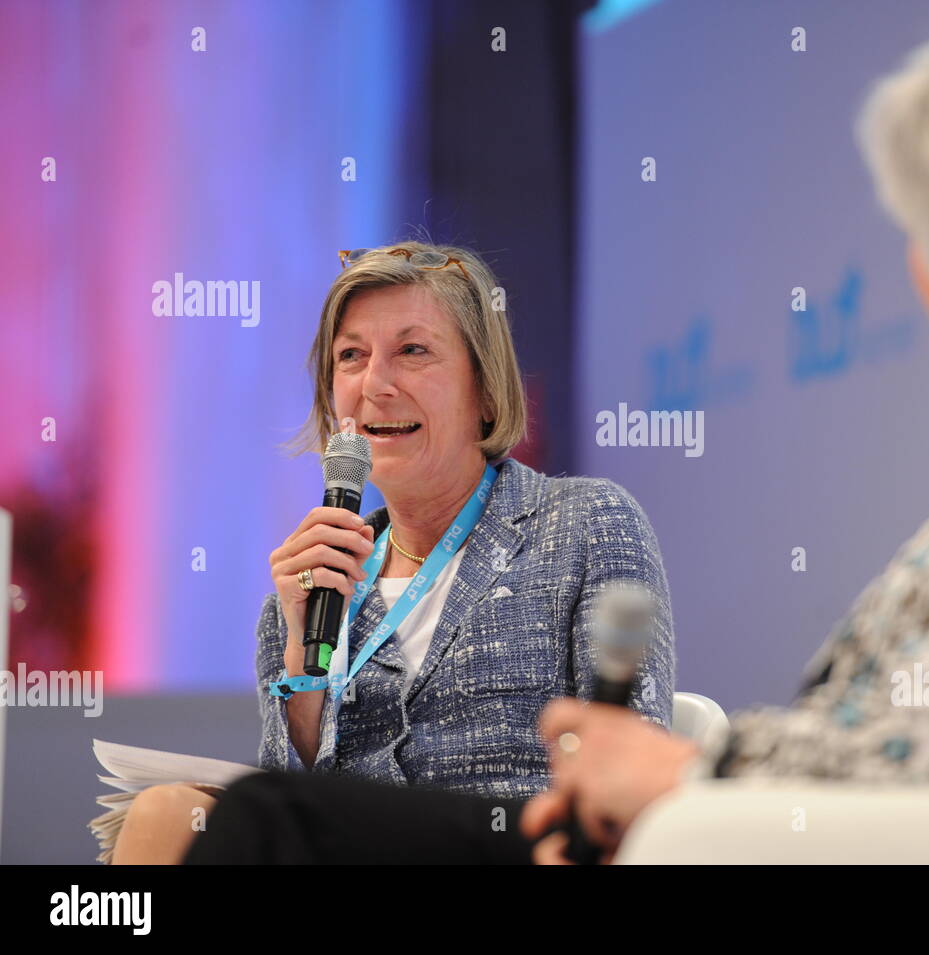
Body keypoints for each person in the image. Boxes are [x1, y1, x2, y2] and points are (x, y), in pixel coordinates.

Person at [183, 17, 929, 865]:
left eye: (923, 225)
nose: (915, 256)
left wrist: (693, 764)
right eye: (349, 359)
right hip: (754, 825)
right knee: (217, 821)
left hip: (738, 841)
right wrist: (300, 670)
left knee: (267, 828)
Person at [110, 242, 675, 864]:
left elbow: (632, 764)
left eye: (412, 351)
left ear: (485, 392)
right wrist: (301, 654)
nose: (374, 384)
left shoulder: (581, 523)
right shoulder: (311, 583)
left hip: (519, 844)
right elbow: (291, 790)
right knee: (163, 814)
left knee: (255, 813)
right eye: (351, 356)